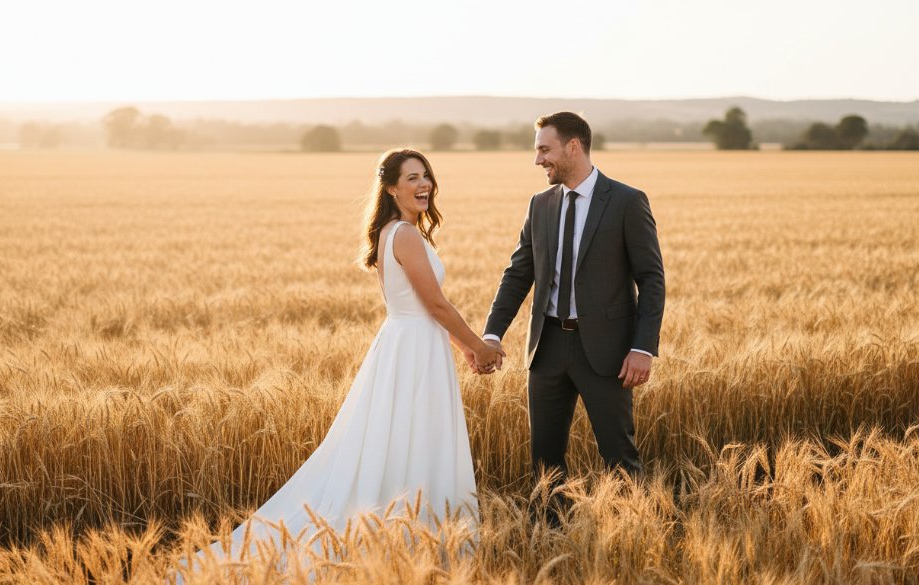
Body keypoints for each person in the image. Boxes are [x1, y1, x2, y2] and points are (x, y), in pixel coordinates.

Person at [179, 148, 496, 576]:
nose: (424, 185)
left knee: (401, 440)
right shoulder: (405, 234)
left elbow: (426, 308)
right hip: (415, 348)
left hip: (408, 344)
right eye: (413, 178)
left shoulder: (389, 231)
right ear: (391, 187)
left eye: (427, 176)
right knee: (415, 437)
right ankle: (411, 537)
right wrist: (478, 345)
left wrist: (463, 348)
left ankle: (406, 535)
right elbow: (436, 305)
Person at [482, 112, 665, 525]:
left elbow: (651, 280)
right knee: (545, 458)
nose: (538, 161)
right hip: (546, 347)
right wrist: (491, 334)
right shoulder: (540, 204)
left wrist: (642, 347)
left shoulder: (625, 201)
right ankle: (550, 538)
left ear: (573, 147)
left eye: (544, 150)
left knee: (619, 455)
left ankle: (629, 535)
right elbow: (518, 273)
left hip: (605, 351)